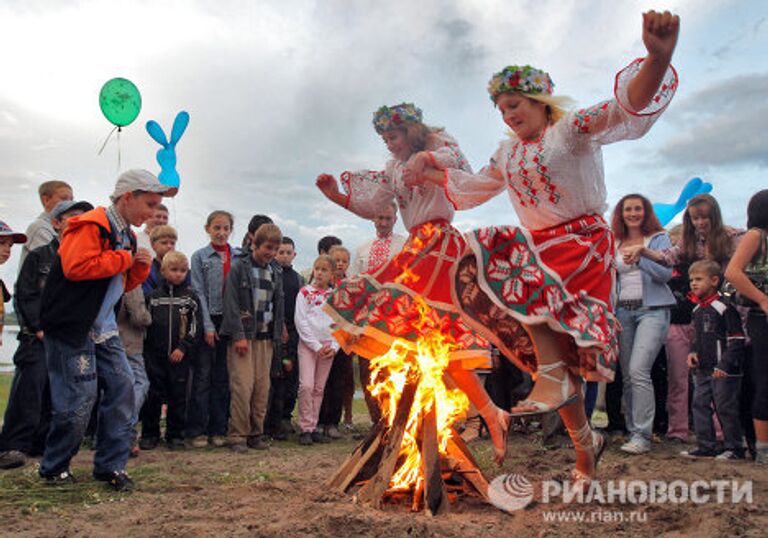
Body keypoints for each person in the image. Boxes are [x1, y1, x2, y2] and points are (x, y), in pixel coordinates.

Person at [410, 11, 679, 480]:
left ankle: (566, 409)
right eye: (502, 109)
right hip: (538, 255)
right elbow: (476, 187)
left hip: (579, 247)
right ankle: (583, 445)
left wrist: (658, 58)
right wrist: (430, 173)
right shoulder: (508, 151)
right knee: (553, 362)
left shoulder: (570, 130)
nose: (509, 114)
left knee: (552, 334)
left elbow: (624, 108)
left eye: (515, 104)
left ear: (540, 101)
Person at [316, 103, 506, 463]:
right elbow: (375, 205)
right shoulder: (392, 167)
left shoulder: (438, 143)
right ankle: (467, 413)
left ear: (412, 131)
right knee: (409, 332)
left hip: (440, 245)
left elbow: (457, 163)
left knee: (437, 333)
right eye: (385, 138)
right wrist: (336, 197)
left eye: (394, 135)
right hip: (418, 246)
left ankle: (481, 414)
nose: (389, 143)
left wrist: (426, 158)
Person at [37, 169, 173, 491]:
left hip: (103, 327)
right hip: (73, 327)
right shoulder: (92, 224)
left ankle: (111, 465)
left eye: (157, 206)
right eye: (150, 204)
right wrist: (125, 259)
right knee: (79, 398)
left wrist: (137, 265)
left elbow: (120, 284)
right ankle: (54, 466)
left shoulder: (127, 232)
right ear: (128, 197)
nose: (153, 213)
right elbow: (76, 267)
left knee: (124, 389)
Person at [0, 202, 91, 470]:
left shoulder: (84, 260)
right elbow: (25, 294)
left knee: (58, 394)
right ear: (57, 223)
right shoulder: (39, 256)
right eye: (72, 218)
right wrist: (38, 328)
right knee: (29, 390)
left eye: (84, 219)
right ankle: (13, 446)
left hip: (67, 340)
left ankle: (42, 444)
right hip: (36, 337)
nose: (79, 223)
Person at [662, 194, 744, 443]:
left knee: (717, 379)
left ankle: (722, 434)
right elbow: (666, 257)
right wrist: (642, 250)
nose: (700, 223)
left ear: (714, 217)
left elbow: (741, 261)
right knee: (681, 379)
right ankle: (679, 429)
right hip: (684, 316)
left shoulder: (730, 240)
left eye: (705, 218)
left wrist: (740, 234)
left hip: (718, 315)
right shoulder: (686, 244)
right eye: (695, 218)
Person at [610, 194, 675, 454]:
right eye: (628, 209)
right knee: (627, 376)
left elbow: (665, 275)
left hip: (653, 310)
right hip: (622, 312)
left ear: (646, 212)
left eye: (638, 208)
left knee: (639, 371)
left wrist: (642, 256)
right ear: (621, 213)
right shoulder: (613, 242)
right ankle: (631, 429)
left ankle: (642, 436)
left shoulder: (659, 237)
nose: (633, 213)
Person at [221, 223, 285, 453]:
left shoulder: (275, 271)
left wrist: (281, 329)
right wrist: (238, 334)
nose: (271, 253)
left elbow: (278, 304)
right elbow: (231, 303)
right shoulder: (240, 268)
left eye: (275, 249)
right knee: (242, 387)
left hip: (266, 338)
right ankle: (237, 434)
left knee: (261, 388)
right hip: (244, 337)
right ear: (255, 244)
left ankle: (255, 434)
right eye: (267, 247)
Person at [680, 260, 745, 459]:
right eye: (691, 280)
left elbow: (737, 339)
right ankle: (706, 445)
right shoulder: (697, 310)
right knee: (699, 404)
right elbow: (697, 337)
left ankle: (734, 448)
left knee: (725, 408)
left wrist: (724, 365)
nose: (693, 283)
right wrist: (692, 352)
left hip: (724, 371)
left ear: (714, 280)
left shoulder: (724, 307)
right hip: (703, 370)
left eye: (699, 279)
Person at [349, 201, 407, 426]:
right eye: (379, 218)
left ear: (395, 220)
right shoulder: (363, 248)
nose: (383, 222)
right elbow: (353, 285)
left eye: (387, 218)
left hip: (395, 320)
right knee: (367, 371)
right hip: (367, 320)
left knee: (394, 371)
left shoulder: (405, 245)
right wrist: (353, 322)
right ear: (373, 219)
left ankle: (397, 421)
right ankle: (378, 423)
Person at [140, 251, 203, 450]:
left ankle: (175, 435)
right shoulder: (153, 297)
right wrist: (148, 351)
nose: (178, 274)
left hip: (179, 357)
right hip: (155, 356)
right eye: (174, 270)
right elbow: (145, 325)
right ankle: (150, 434)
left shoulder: (190, 298)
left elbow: (195, 326)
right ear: (163, 270)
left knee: (178, 396)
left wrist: (183, 347)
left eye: (183, 271)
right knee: (153, 395)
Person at [187, 210, 237, 448]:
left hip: (230, 323)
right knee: (203, 376)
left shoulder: (238, 257)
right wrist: (207, 326)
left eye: (226, 228)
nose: (221, 232)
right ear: (207, 229)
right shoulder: (200, 257)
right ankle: (198, 430)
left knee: (223, 378)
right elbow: (197, 293)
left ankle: (218, 429)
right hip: (207, 319)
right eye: (217, 227)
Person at [725, 189, 768, 464]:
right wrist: (763, 299)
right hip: (760, 317)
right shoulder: (757, 236)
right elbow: (732, 272)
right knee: (764, 380)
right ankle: (763, 447)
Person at [295, 255, 339, 445]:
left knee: (319, 388)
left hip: (328, 347)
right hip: (309, 346)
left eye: (324, 270)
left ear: (332, 274)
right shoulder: (305, 293)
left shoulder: (335, 296)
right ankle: (304, 427)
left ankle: (313, 427)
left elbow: (340, 324)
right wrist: (315, 345)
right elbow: (301, 321)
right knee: (307, 386)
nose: (319, 273)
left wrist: (335, 346)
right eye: (317, 269)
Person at [265, 236, 305, 440]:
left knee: (291, 375)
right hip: (275, 331)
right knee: (275, 376)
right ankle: (271, 421)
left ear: (294, 255)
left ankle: (286, 418)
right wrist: (278, 327)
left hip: (294, 332)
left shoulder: (299, 279)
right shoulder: (270, 274)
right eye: (281, 252)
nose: (284, 256)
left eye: (288, 252)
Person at [318, 245, 354, 438]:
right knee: (321, 381)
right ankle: (318, 420)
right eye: (336, 260)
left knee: (339, 381)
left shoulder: (351, 284)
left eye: (344, 261)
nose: (340, 264)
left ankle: (333, 422)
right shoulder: (319, 283)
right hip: (322, 338)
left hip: (343, 340)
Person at [116, 285, 152, 457]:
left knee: (113, 389)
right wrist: (149, 316)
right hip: (129, 342)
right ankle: (125, 431)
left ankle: (108, 436)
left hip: (109, 340)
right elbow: (139, 317)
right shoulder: (132, 282)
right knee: (139, 383)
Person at [18, 180, 73, 268]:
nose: (70, 203)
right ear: (46, 200)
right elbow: (55, 260)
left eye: (71, 199)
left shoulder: (63, 227)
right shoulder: (39, 228)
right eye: (64, 198)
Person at [142, 225, 189, 294]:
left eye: (172, 243)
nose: (169, 246)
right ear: (153, 245)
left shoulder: (183, 268)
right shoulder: (147, 270)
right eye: (164, 243)